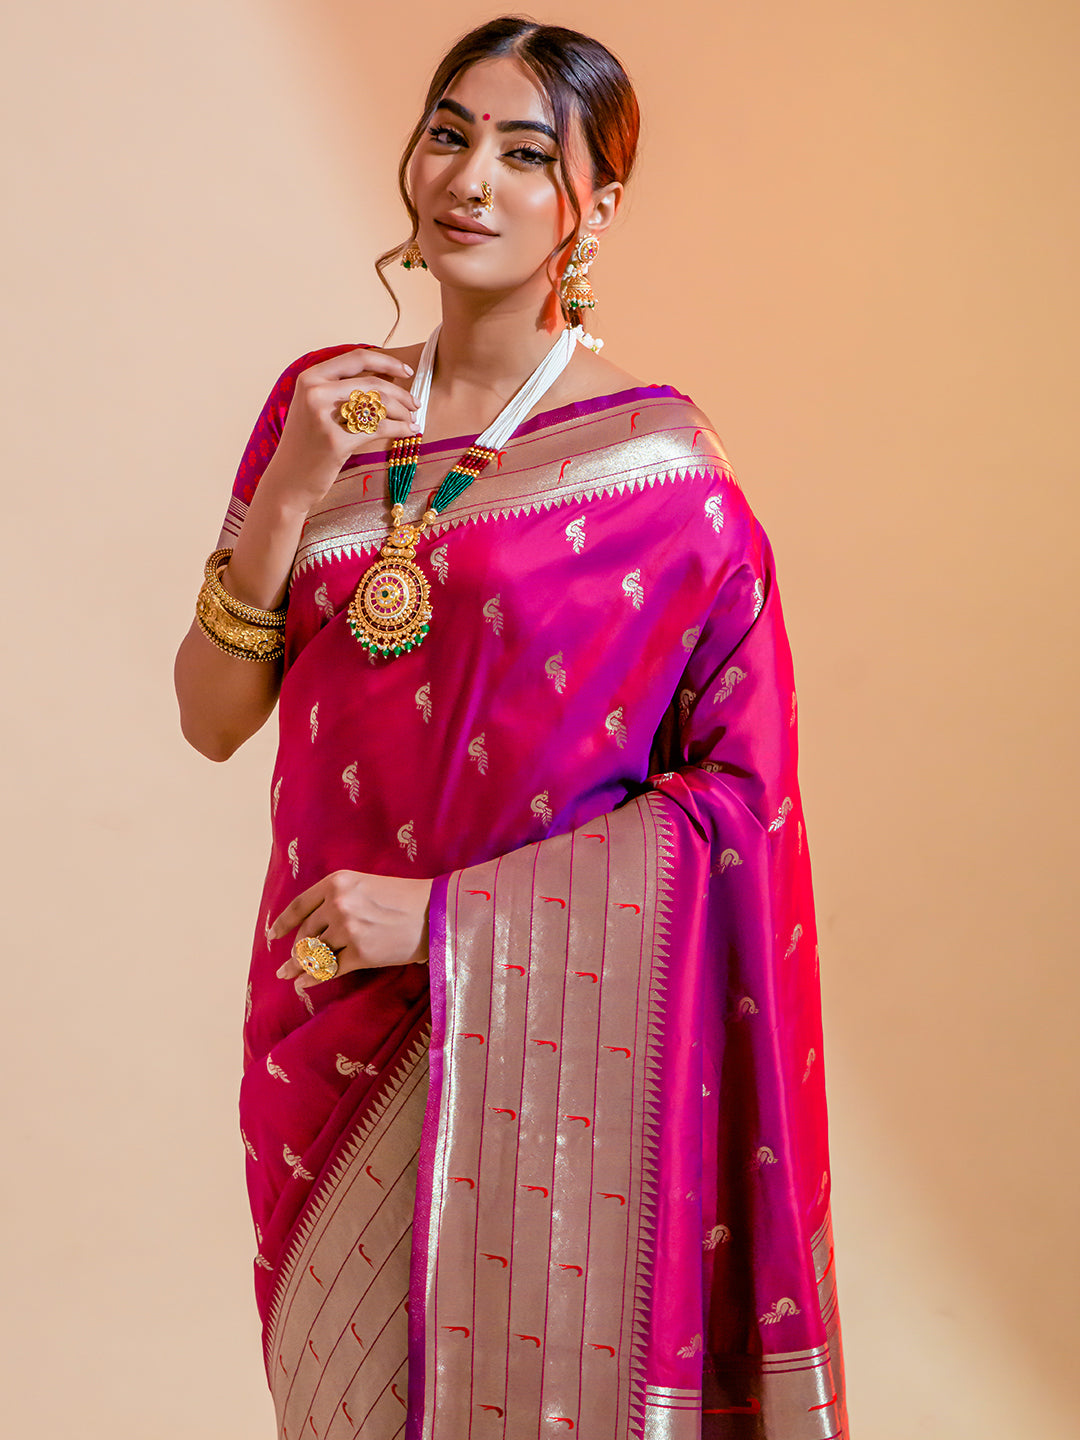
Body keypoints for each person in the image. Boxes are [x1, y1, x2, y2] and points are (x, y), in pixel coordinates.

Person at [174, 16, 847, 1439]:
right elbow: (211, 714)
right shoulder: (320, 409)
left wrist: (446, 923)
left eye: (528, 154)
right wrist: (293, 482)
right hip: (322, 1023)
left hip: (541, 1045)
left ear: (595, 205)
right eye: (449, 133)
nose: (471, 178)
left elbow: (738, 803)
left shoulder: (663, 476)